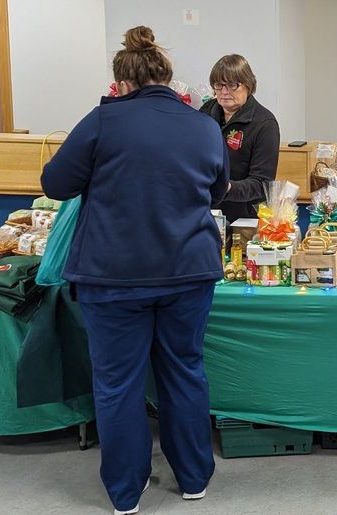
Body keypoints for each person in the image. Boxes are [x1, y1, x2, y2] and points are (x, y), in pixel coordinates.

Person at [41, 26, 228, 515]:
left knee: (118, 382)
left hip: (113, 276)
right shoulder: (205, 125)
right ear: (168, 79)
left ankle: (126, 492)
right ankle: (193, 478)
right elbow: (217, 192)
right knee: (185, 371)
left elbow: (56, 184)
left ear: (120, 83)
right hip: (187, 272)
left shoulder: (104, 121)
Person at [199, 54, 280, 224]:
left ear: (248, 85)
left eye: (232, 85)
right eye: (219, 85)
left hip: (244, 219)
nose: (224, 92)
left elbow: (261, 184)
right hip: (205, 211)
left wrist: (227, 187)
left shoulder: (265, 123)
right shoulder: (206, 112)